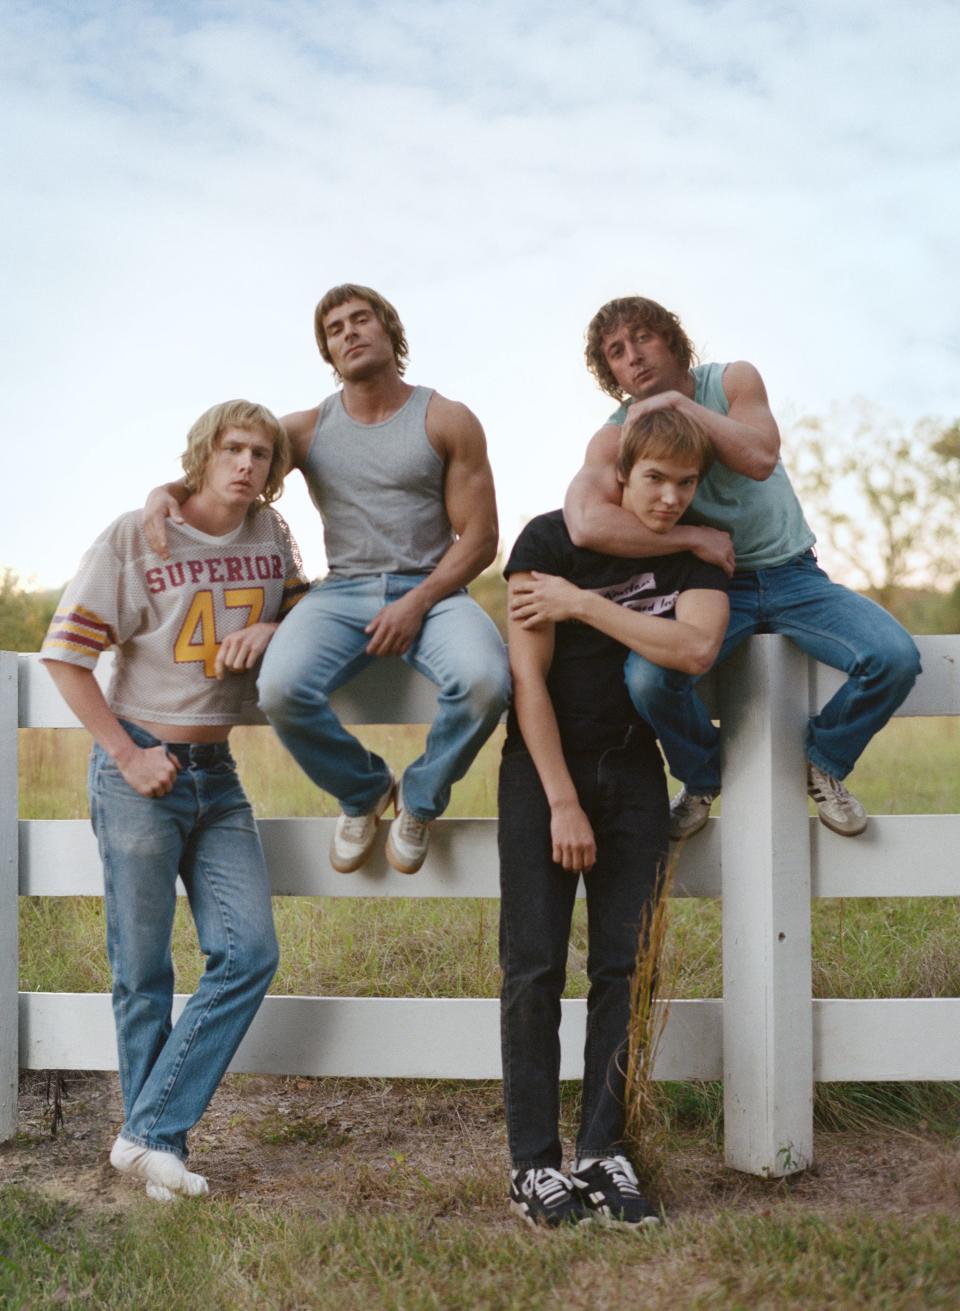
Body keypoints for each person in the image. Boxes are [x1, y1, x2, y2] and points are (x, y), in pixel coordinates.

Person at [145, 285, 510, 875]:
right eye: (334, 329)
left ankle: (418, 799)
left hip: (436, 590)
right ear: (329, 353)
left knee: (487, 681)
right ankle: (365, 790)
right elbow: (231, 462)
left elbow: (482, 540)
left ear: (390, 330)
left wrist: (416, 603)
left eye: (360, 320)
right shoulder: (309, 430)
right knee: (281, 690)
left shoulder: (446, 418)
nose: (348, 333)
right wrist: (166, 492)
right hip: (342, 592)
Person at [41, 400, 309, 1200]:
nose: (246, 464)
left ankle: (145, 1131)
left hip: (217, 774)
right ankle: (163, 1150)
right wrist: (125, 753)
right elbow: (65, 655)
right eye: (232, 448)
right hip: (139, 771)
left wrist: (276, 628)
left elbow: (303, 604)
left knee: (250, 951)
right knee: (143, 970)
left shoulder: (272, 535)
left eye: (261, 453)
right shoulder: (139, 532)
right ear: (201, 455)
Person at [565, 296, 921, 840]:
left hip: (793, 573)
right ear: (609, 370)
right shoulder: (616, 435)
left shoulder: (732, 381)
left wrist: (679, 408)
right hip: (707, 585)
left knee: (893, 657)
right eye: (616, 351)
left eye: (643, 338)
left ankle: (824, 759)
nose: (633, 357)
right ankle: (702, 778)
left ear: (671, 340)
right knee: (649, 679)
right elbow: (587, 524)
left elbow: (760, 458)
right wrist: (691, 536)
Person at [500, 407, 729, 1227]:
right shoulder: (546, 541)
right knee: (533, 968)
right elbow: (529, 681)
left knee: (623, 969)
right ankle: (532, 1164)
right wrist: (561, 798)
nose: (669, 498)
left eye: (684, 482)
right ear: (621, 475)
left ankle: (604, 1150)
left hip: (636, 770)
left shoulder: (699, 553)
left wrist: (583, 605)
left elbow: (693, 650)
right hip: (544, 767)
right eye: (654, 480)